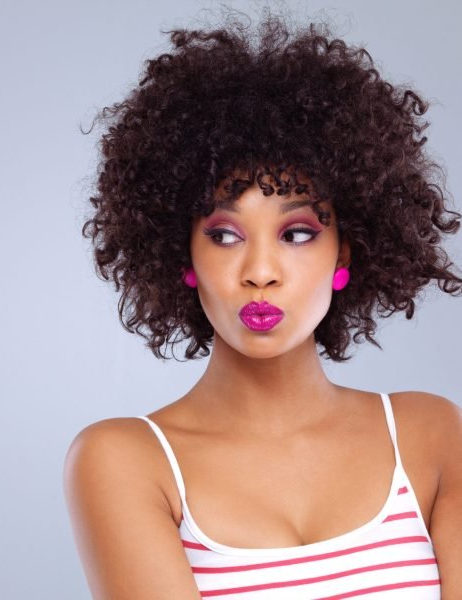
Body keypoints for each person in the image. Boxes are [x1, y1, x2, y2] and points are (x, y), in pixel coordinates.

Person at [63, 6, 462, 598]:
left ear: (344, 256)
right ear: (185, 259)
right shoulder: (125, 462)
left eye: (297, 233)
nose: (260, 274)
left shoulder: (431, 435)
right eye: (224, 235)